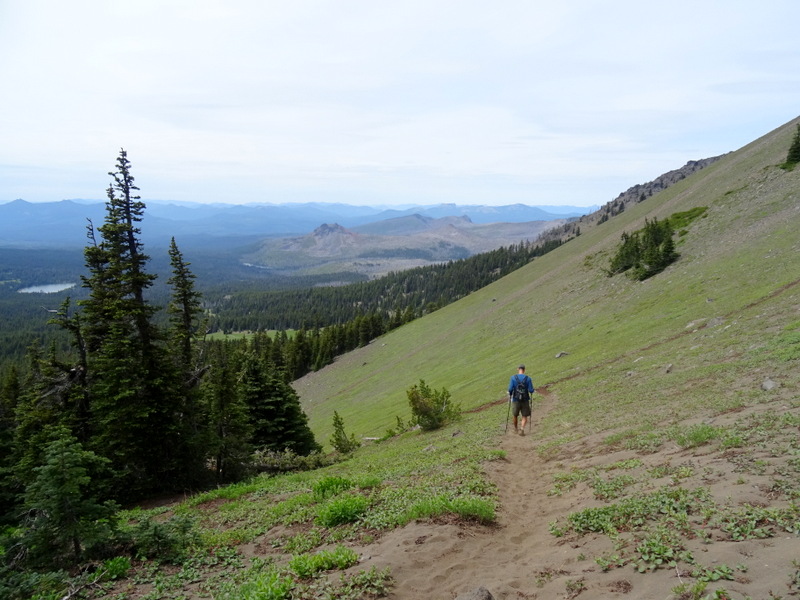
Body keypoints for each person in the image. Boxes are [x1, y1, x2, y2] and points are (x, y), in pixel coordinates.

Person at [508, 364, 534, 435]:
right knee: (524, 416)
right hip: (525, 400)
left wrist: (510, 393)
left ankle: (516, 429)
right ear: (524, 370)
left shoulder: (513, 378)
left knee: (515, 415)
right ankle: (522, 428)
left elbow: (510, 389)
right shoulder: (528, 378)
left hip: (515, 399)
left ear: (518, 369)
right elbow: (531, 390)